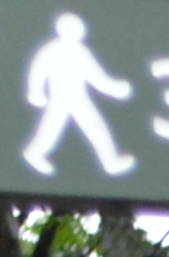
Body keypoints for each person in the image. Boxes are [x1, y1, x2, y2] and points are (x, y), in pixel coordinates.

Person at [20, 11, 136, 178]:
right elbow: (38, 71)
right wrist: (35, 92)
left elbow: (96, 77)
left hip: (77, 97)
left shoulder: (81, 50)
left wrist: (115, 89)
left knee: (92, 127)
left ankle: (110, 161)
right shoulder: (53, 49)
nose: (79, 30)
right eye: (75, 27)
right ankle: (34, 153)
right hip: (63, 97)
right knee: (57, 128)